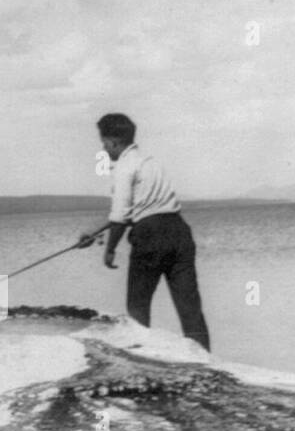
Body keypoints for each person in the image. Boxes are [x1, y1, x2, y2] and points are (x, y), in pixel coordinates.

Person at [78, 112, 211, 350]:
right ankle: (205, 359)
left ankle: (140, 358)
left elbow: (120, 216)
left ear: (114, 142)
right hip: (179, 231)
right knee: (189, 306)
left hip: (149, 236)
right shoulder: (151, 162)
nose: (104, 149)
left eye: (104, 143)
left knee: (137, 306)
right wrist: (93, 231)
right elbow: (140, 209)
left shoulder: (122, 168)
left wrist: (109, 250)